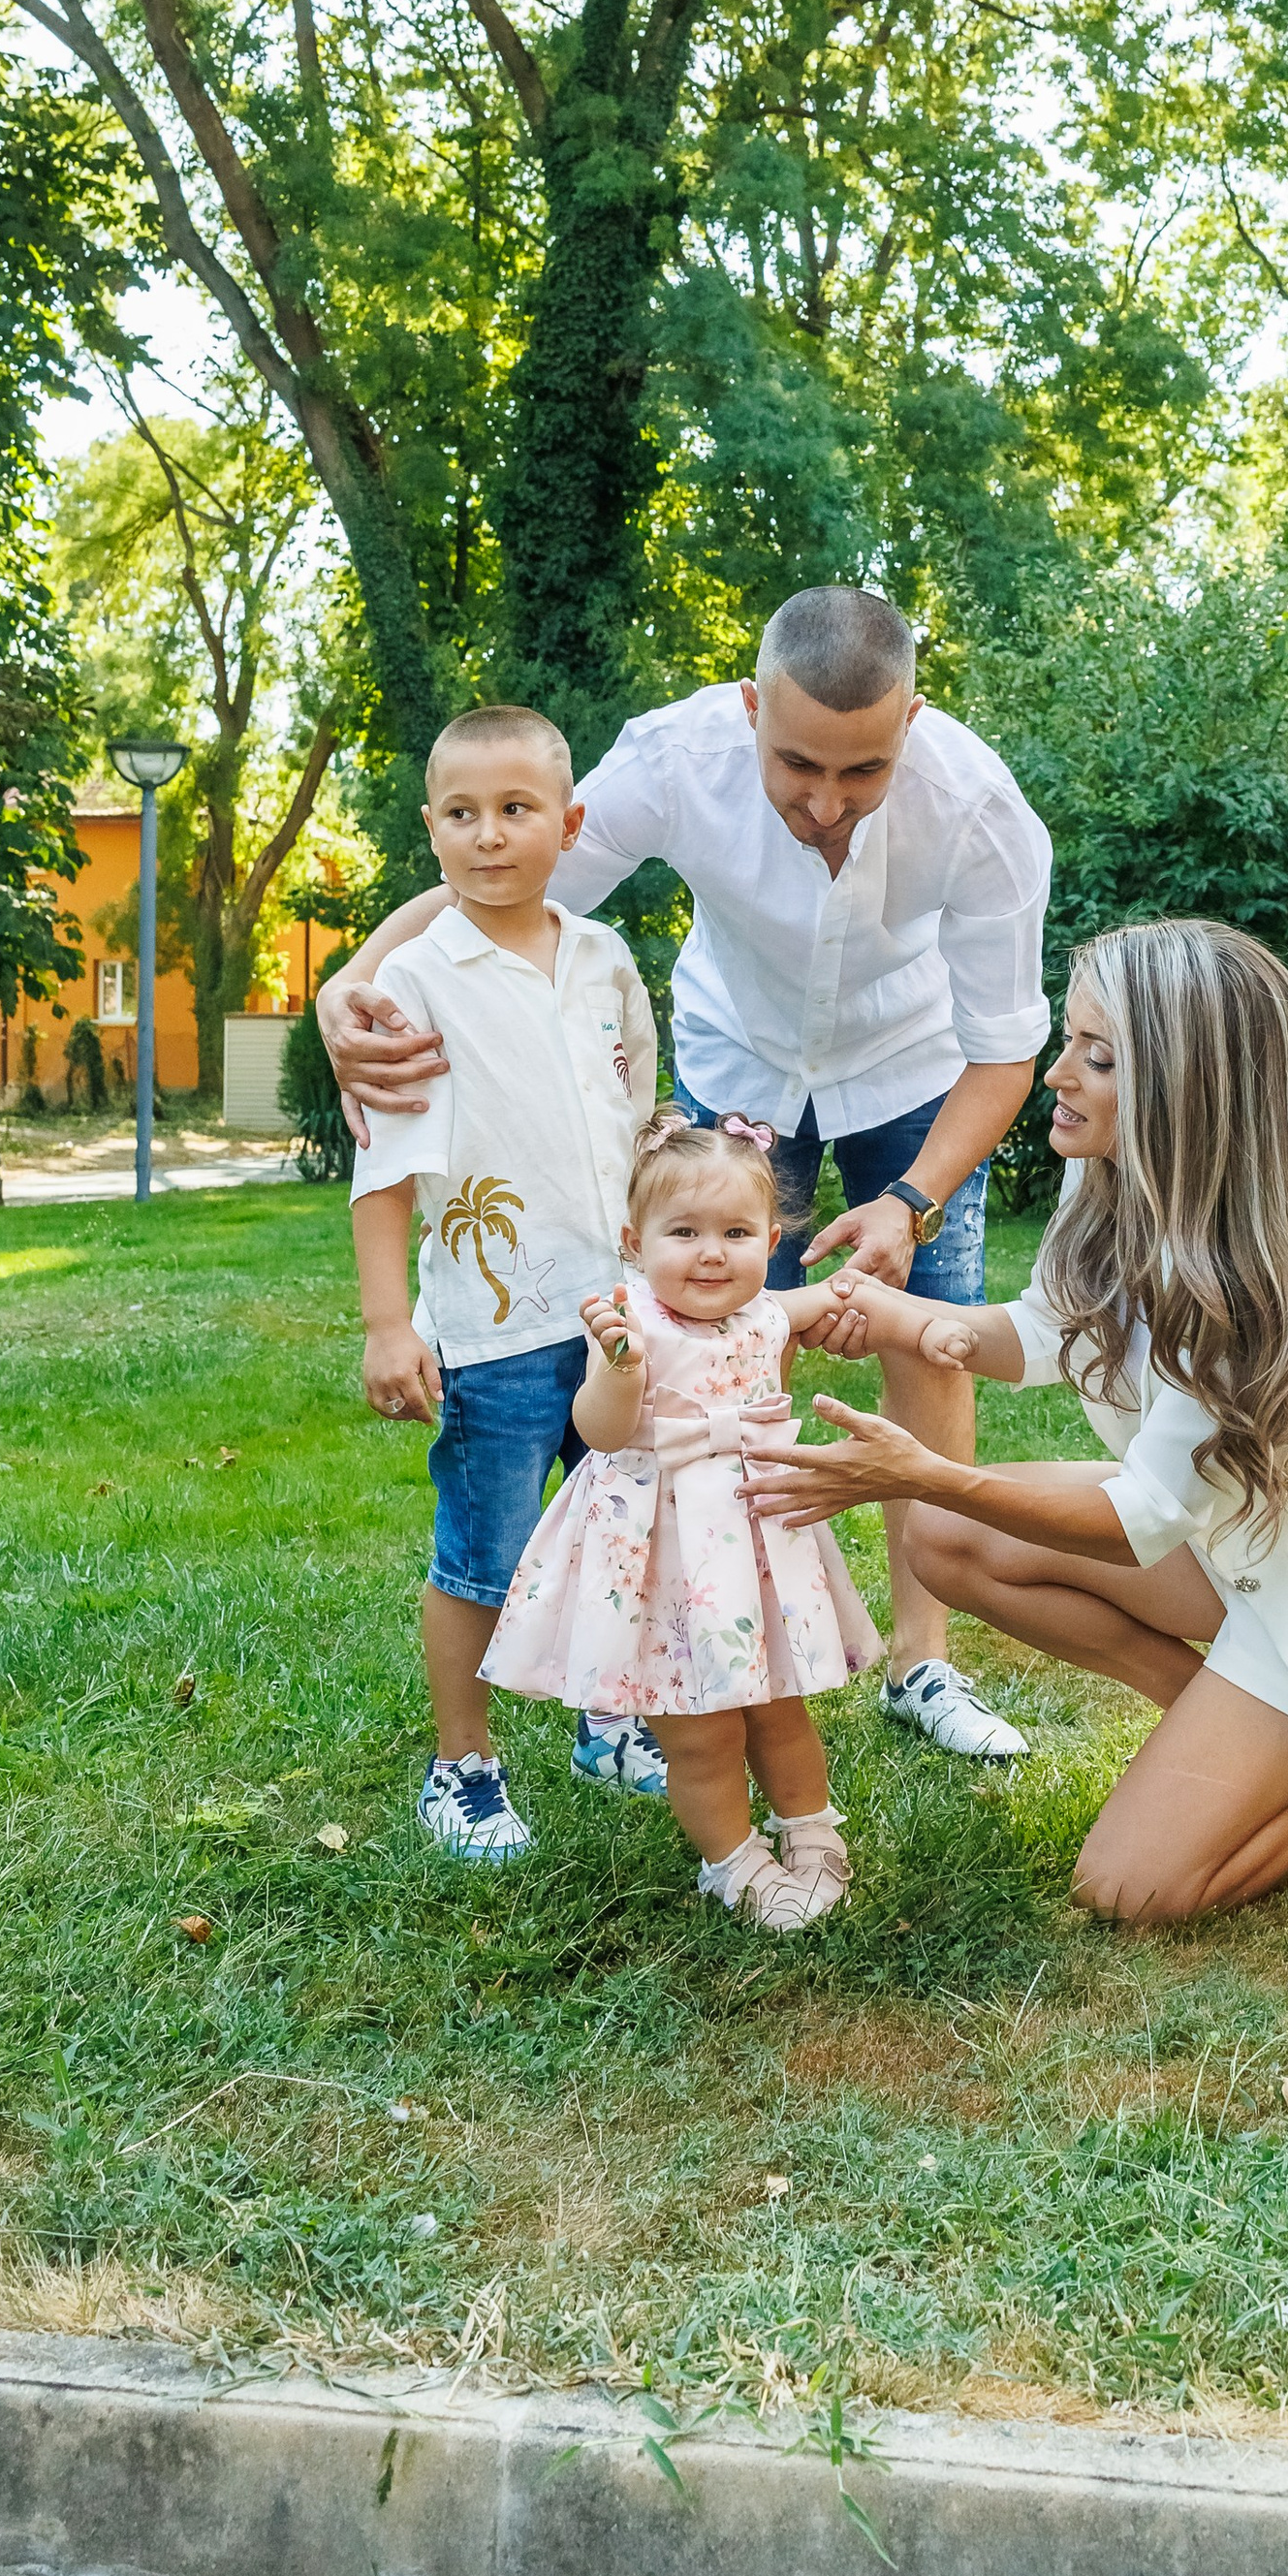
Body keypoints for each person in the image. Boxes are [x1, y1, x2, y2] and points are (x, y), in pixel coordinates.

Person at [321, 585, 1051, 1770]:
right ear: (749, 706)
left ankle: (923, 1663)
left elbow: (1006, 1050)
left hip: (916, 1071)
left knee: (928, 1341)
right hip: (739, 1067)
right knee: (693, 1353)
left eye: (861, 774)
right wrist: (346, 980)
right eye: (796, 763)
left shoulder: (982, 815)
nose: (824, 805)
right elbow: (507, 881)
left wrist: (910, 1201)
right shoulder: (673, 755)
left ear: (912, 721)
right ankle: (711, 1635)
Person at [753, 919, 1288, 1917]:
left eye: (1097, 1057)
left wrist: (916, 1472)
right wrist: (902, 1322)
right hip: (1232, 1553)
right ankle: (1236, 1732)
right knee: (948, 1542)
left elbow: (1139, 1521)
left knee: (1129, 1889)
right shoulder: (1113, 1177)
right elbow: (1050, 1329)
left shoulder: (1253, 1287)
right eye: (1068, 1043)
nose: (1055, 1076)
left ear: (1189, 1093)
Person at [485, 1108, 927, 1928]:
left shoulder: (764, 1312)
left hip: (754, 1540)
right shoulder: (628, 1321)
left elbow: (834, 1294)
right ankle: (734, 1861)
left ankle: (811, 1830)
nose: (711, 1252)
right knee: (699, 1727)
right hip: (660, 1550)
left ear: (770, 1239)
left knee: (778, 1704)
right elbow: (602, 1433)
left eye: (736, 1231)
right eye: (683, 1231)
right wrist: (618, 1370)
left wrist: (920, 1323)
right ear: (634, 1240)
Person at [350, 703, 657, 1864]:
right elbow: (386, 1172)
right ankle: (462, 1765)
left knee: (623, 1526)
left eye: (517, 810)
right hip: (494, 1330)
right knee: (484, 1550)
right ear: (430, 828)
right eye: (463, 814)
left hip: (615, 1312)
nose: (490, 835)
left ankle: (607, 1719)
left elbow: (632, 1117)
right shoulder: (416, 983)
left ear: (569, 824)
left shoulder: (605, 960)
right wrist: (390, 1324)